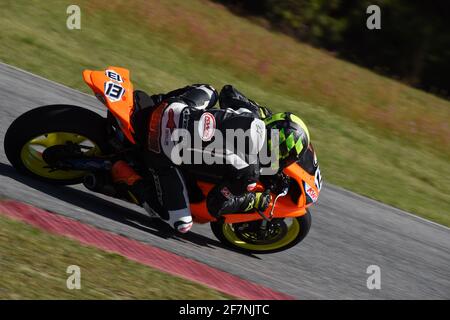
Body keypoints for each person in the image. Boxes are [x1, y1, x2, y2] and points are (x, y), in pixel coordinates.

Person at [110, 84, 310, 233]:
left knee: (209, 89)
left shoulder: (252, 114)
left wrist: (257, 108)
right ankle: (127, 177)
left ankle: (150, 106)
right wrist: (258, 201)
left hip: (170, 108)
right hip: (160, 149)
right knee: (181, 224)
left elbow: (228, 91)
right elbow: (215, 206)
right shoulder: (248, 172)